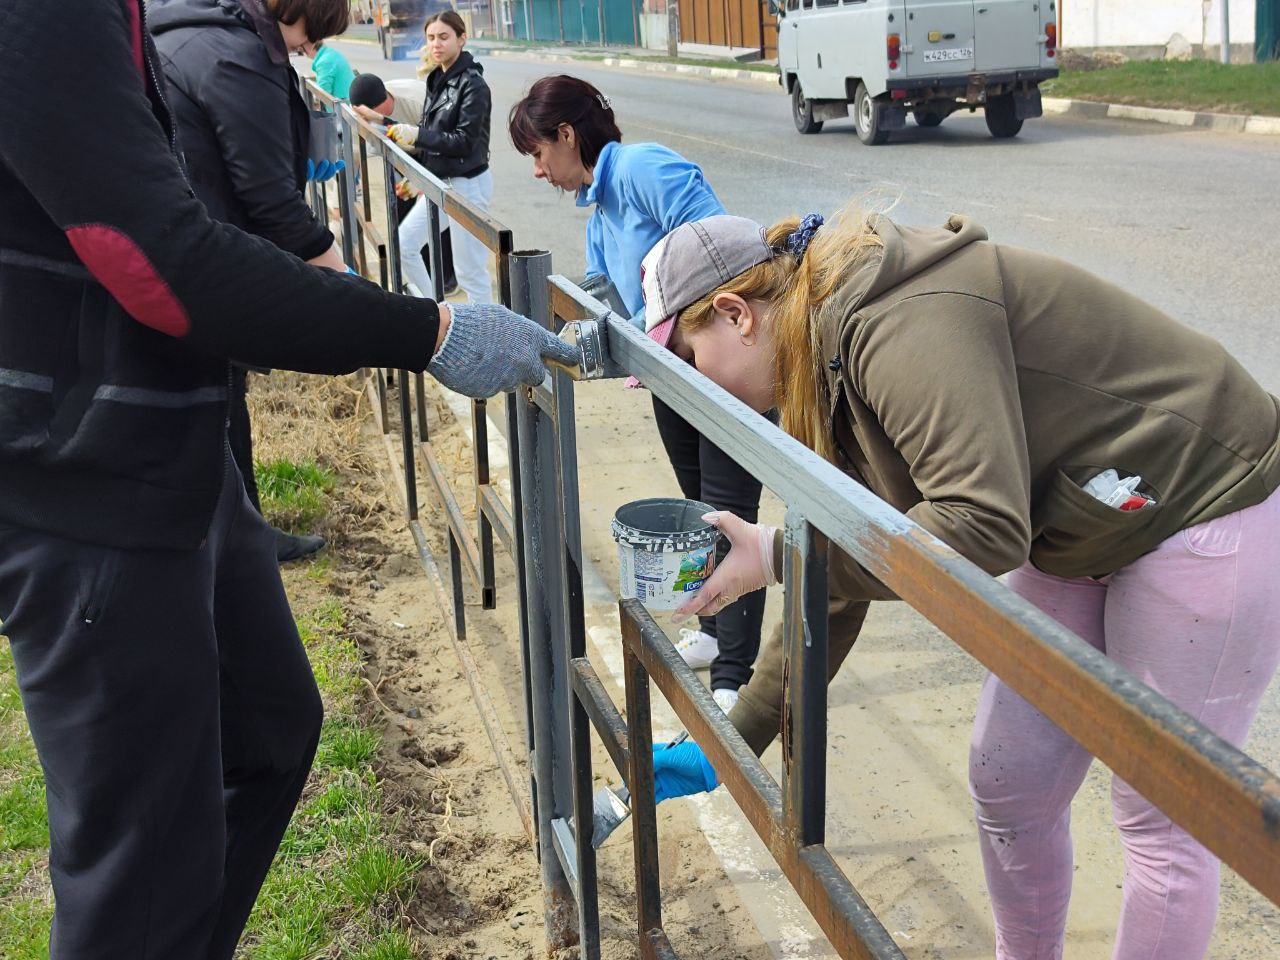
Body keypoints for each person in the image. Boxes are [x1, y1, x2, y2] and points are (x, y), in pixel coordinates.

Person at [0, 1, 576, 956]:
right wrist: (424, 331)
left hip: (168, 437)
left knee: (269, 732)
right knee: (137, 872)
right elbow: (157, 260)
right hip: (86, 479)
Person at [638, 211, 1280, 960]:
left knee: (1163, 816)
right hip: (1084, 516)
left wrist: (780, 553)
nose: (692, 386)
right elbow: (848, 565)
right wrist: (735, 738)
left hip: (1201, 500)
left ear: (735, 314)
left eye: (688, 357)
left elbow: (982, 525)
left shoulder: (895, 322)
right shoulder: (816, 361)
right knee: (1009, 780)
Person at [508, 75, 767, 713]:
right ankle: (712, 629)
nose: (538, 171)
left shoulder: (643, 169)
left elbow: (717, 250)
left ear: (567, 135)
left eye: (538, 153)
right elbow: (611, 302)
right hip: (670, 377)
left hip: (719, 370)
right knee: (700, 509)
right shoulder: (600, 217)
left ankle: (736, 671)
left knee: (730, 515)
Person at [151, 0, 353, 561]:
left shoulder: (195, 28)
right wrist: (341, 278)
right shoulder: (240, 57)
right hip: (202, 252)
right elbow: (268, 197)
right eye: (309, 39)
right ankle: (234, 544)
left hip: (171, 243)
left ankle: (243, 532)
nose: (305, 51)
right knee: (216, 394)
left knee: (219, 397)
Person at [383, 11, 493, 304]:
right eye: (431, 38)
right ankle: (437, 313)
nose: (436, 44)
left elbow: (464, 142)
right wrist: (418, 178)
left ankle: (489, 339)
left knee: (470, 273)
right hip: (440, 183)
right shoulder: (437, 79)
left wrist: (416, 135)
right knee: (405, 243)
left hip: (467, 184)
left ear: (461, 38)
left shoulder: (474, 85)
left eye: (444, 37)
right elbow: (434, 135)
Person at [350, 71, 459, 295]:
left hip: (432, 150)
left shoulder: (418, 101)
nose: (370, 119)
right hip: (397, 152)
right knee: (401, 211)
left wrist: (424, 180)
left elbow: (442, 142)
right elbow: (355, 151)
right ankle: (413, 278)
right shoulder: (364, 116)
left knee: (437, 214)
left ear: (387, 99)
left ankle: (447, 277)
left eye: (374, 115)